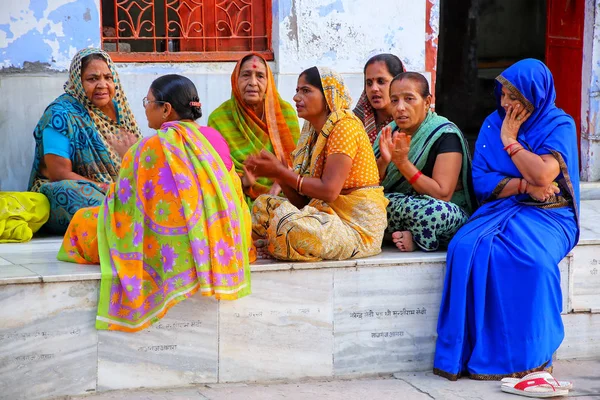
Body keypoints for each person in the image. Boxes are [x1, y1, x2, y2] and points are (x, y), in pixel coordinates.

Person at [57, 74, 254, 332]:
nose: (146, 108)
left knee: (83, 222)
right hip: (221, 240)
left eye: (148, 101)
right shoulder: (213, 137)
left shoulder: (148, 147)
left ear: (165, 109)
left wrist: (127, 155)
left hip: (169, 245)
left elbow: (122, 207)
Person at [433, 59, 580, 381]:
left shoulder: (559, 124)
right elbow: (482, 179)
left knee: (534, 263)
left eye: (513, 96)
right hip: (504, 206)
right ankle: (476, 352)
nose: (504, 103)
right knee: (467, 246)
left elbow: (545, 173)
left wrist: (511, 141)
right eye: (502, 94)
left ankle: (531, 354)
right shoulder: (492, 123)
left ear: (534, 94)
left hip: (550, 214)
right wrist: (526, 184)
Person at [247, 67, 388, 261]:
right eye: (297, 90)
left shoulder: (345, 126)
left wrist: (283, 172)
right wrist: (279, 175)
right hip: (326, 218)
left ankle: (272, 243)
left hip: (356, 229)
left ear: (328, 95)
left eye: (305, 90)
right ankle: (274, 243)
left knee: (286, 224)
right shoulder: (311, 132)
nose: (296, 97)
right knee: (263, 205)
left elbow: (329, 191)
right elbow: (302, 202)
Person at [28, 48, 141, 234]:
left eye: (108, 77)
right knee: (67, 191)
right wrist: (107, 189)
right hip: (70, 192)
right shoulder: (59, 115)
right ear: (77, 82)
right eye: (92, 79)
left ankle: (126, 213)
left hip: (116, 191)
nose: (102, 85)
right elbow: (59, 174)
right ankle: (126, 217)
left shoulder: (119, 111)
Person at [373, 72, 474, 252]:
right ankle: (401, 233)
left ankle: (410, 237)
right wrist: (384, 161)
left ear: (427, 102)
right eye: (394, 100)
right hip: (396, 207)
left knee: (435, 213)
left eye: (409, 99)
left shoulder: (445, 135)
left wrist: (403, 163)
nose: (400, 107)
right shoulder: (387, 133)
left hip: (438, 213)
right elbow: (369, 187)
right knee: (363, 205)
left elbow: (442, 195)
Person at [208, 53, 300, 204]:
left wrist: (277, 187)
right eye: (246, 75)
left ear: (268, 81)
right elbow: (216, 174)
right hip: (238, 197)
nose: (253, 82)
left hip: (285, 195)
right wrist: (243, 181)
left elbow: (297, 162)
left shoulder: (285, 113)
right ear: (235, 80)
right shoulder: (219, 119)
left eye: (260, 76)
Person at [353, 54, 404, 144]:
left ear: (398, 83)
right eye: (369, 83)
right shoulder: (354, 123)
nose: (374, 88)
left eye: (381, 81)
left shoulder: (412, 122)